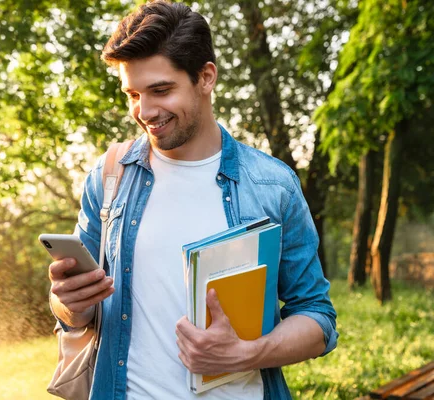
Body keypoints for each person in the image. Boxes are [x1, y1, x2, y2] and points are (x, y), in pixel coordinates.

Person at [48, 1, 338, 399]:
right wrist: (68, 304)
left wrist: (246, 354)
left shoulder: (273, 185)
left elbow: (318, 318)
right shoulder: (109, 175)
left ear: (205, 77)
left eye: (160, 90)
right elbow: (74, 313)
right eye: (132, 94)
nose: (144, 111)